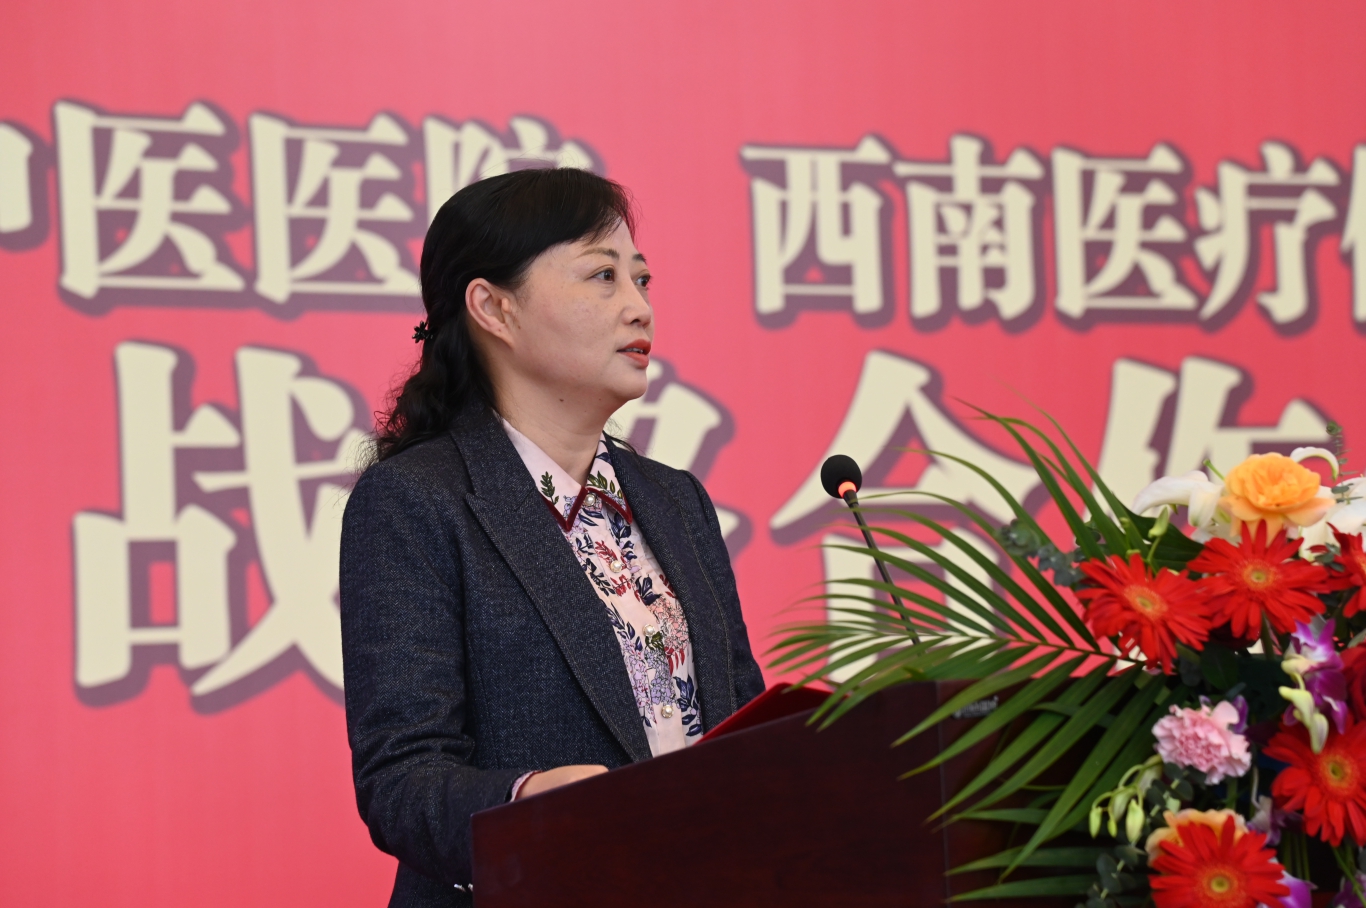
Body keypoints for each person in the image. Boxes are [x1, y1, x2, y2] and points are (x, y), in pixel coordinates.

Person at [339, 167, 766, 908]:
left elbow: (739, 723)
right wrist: (527, 799)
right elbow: (402, 779)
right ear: (494, 308)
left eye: (642, 279)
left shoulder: (675, 500)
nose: (639, 307)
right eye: (603, 276)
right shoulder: (416, 500)